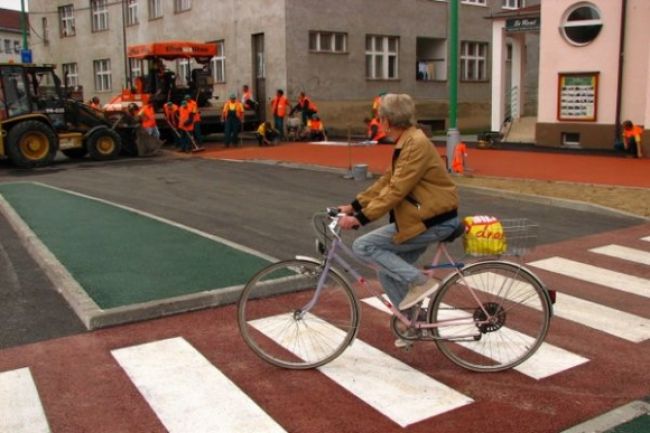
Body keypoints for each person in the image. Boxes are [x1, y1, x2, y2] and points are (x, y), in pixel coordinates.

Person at [337, 93, 459, 346]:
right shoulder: (408, 142)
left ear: (386, 120)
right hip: (421, 218)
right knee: (387, 271)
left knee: (364, 245)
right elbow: (386, 182)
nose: (378, 121)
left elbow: (396, 190)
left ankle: (420, 282)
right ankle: (411, 322)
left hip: (433, 220)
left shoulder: (415, 145)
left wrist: (360, 219)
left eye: (379, 118)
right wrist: (353, 206)